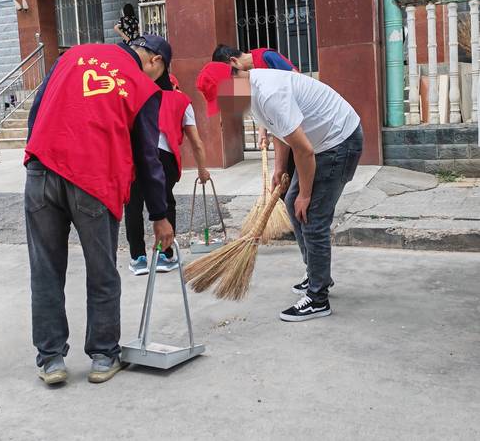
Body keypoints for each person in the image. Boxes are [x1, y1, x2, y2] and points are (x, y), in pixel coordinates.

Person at [24, 34, 174, 385]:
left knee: (45, 269)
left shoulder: (72, 55)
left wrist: (37, 159)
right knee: (102, 269)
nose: (158, 81)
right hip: (93, 179)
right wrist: (159, 214)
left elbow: (37, 108)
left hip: (42, 171)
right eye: (161, 73)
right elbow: (148, 157)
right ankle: (104, 356)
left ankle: (51, 360)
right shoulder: (141, 85)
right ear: (153, 60)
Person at [196, 62, 363, 322]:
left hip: (338, 142)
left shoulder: (269, 93)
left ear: (234, 77)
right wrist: (279, 167)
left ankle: (318, 299)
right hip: (319, 143)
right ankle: (318, 274)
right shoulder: (251, 93)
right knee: (291, 204)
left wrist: (305, 194)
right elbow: (282, 131)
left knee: (311, 216)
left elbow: (304, 150)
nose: (226, 108)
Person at [125, 72, 211, 275]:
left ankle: (138, 259)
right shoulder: (182, 100)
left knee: (133, 205)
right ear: (174, 86)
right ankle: (165, 255)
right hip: (164, 158)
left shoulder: (138, 96)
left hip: (136, 154)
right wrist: (202, 169)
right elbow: (196, 142)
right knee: (164, 203)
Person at [212, 44, 298, 179]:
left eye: (230, 74)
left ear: (234, 61)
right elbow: (267, 106)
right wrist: (262, 131)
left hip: (295, 120)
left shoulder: (267, 57)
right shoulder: (250, 75)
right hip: (283, 125)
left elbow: (296, 79)